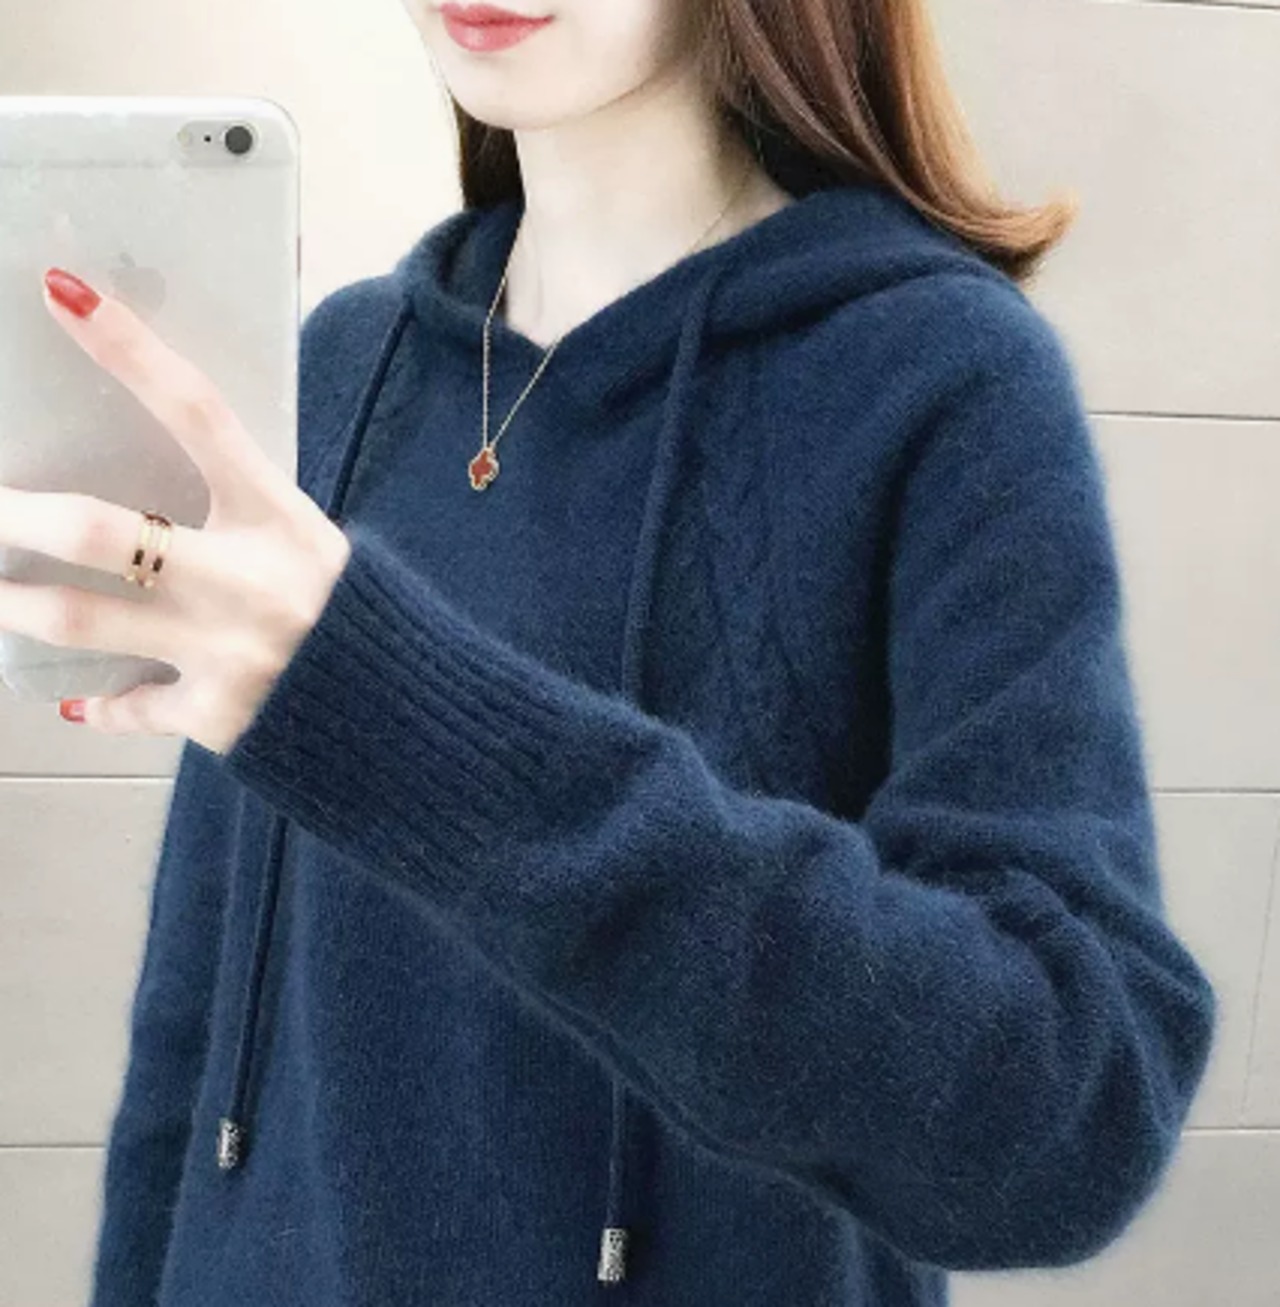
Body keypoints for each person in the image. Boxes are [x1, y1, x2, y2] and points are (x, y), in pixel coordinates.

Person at [75, 1, 1219, 1304]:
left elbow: (1063, 1117)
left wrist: (391, 714)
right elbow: (192, 1037)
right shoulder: (341, 368)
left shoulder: (935, 378)